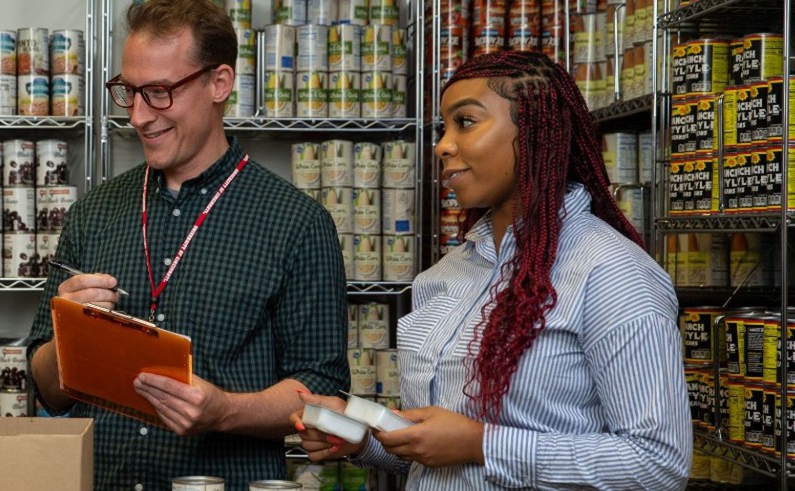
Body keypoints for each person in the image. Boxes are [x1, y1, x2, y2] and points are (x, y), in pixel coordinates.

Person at [291, 50, 691, 489]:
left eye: (465, 122)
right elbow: (441, 457)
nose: (443, 144)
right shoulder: (448, 273)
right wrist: (362, 438)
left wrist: (483, 444)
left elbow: (658, 464)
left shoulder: (612, 273)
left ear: (536, 134)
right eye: (444, 127)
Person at [27, 0, 350, 488]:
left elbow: (322, 390)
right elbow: (47, 390)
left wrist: (225, 411)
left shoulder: (297, 223)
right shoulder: (93, 213)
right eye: (128, 92)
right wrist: (64, 340)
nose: (138, 116)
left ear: (219, 83)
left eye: (158, 93)